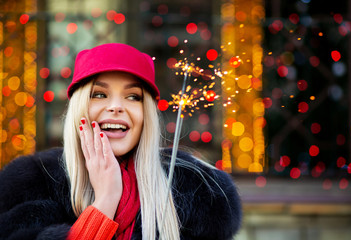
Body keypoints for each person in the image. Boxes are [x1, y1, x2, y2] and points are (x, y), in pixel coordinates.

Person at [0, 43, 241, 240]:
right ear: (79, 108)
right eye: (100, 94)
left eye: (133, 96)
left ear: (146, 113)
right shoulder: (30, 186)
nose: (116, 106)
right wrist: (105, 200)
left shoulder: (199, 192)